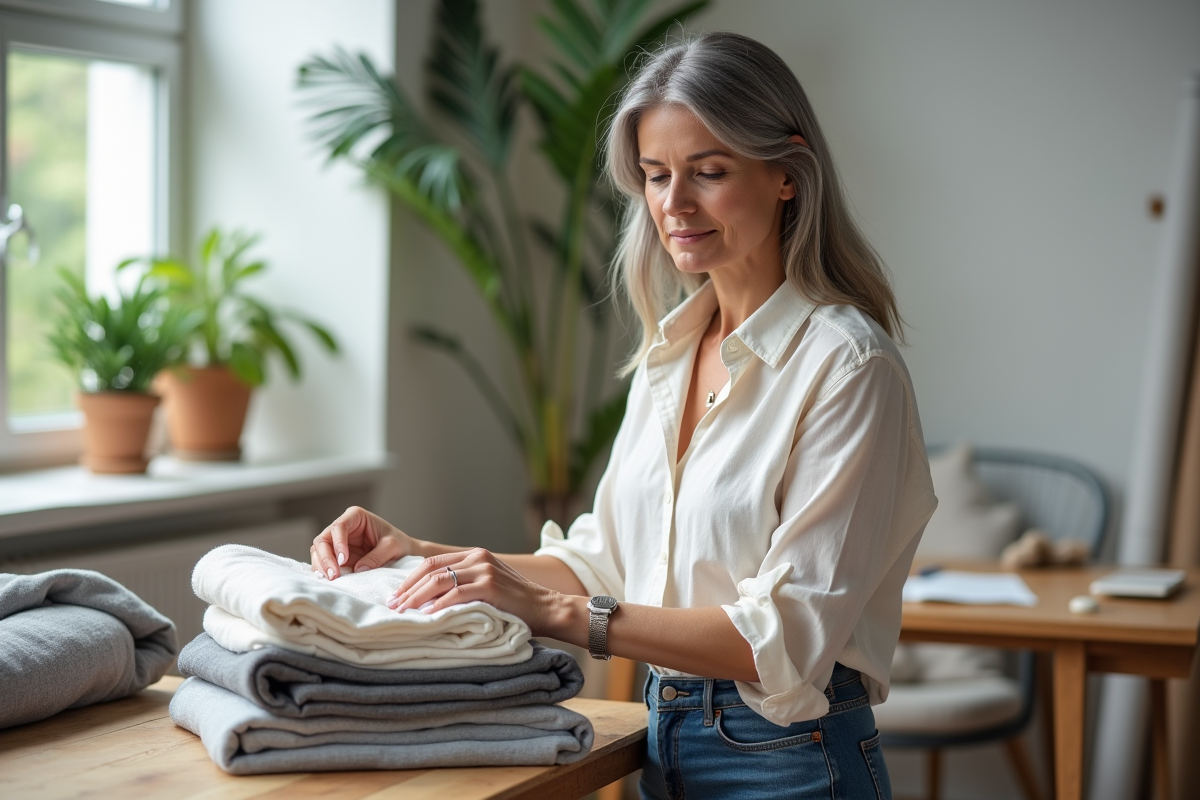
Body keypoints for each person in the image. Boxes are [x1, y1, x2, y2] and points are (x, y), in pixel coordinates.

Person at [310, 31, 936, 800]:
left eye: (708, 172)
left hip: (794, 761)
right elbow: (600, 563)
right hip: (661, 742)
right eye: (655, 175)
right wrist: (424, 554)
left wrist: (553, 609)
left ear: (786, 173)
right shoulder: (669, 354)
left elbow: (786, 638)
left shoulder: (848, 367)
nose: (673, 205)